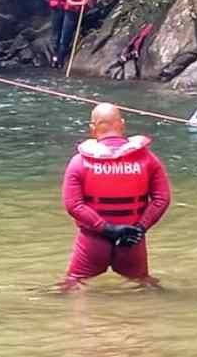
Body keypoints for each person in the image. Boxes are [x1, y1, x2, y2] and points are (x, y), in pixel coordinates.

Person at [61, 103, 171, 289]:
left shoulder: (79, 162)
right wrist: (139, 228)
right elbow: (162, 199)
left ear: (93, 128)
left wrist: (107, 229)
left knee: (73, 285)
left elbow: (73, 205)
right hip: (132, 239)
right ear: (122, 124)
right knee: (144, 285)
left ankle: (76, 318)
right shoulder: (148, 159)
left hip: (93, 240)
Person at [57, 0, 96, 69]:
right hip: (70, 13)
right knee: (65, 38)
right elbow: (69, 2)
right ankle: (59, 61)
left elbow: (92, 5)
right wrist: (80, 2)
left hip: (83, 14)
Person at [45, 0, 73, 68]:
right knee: (55, 34)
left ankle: (61, 58)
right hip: (56, 9)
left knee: (65, 35)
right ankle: (55, 58)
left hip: (68, 9)